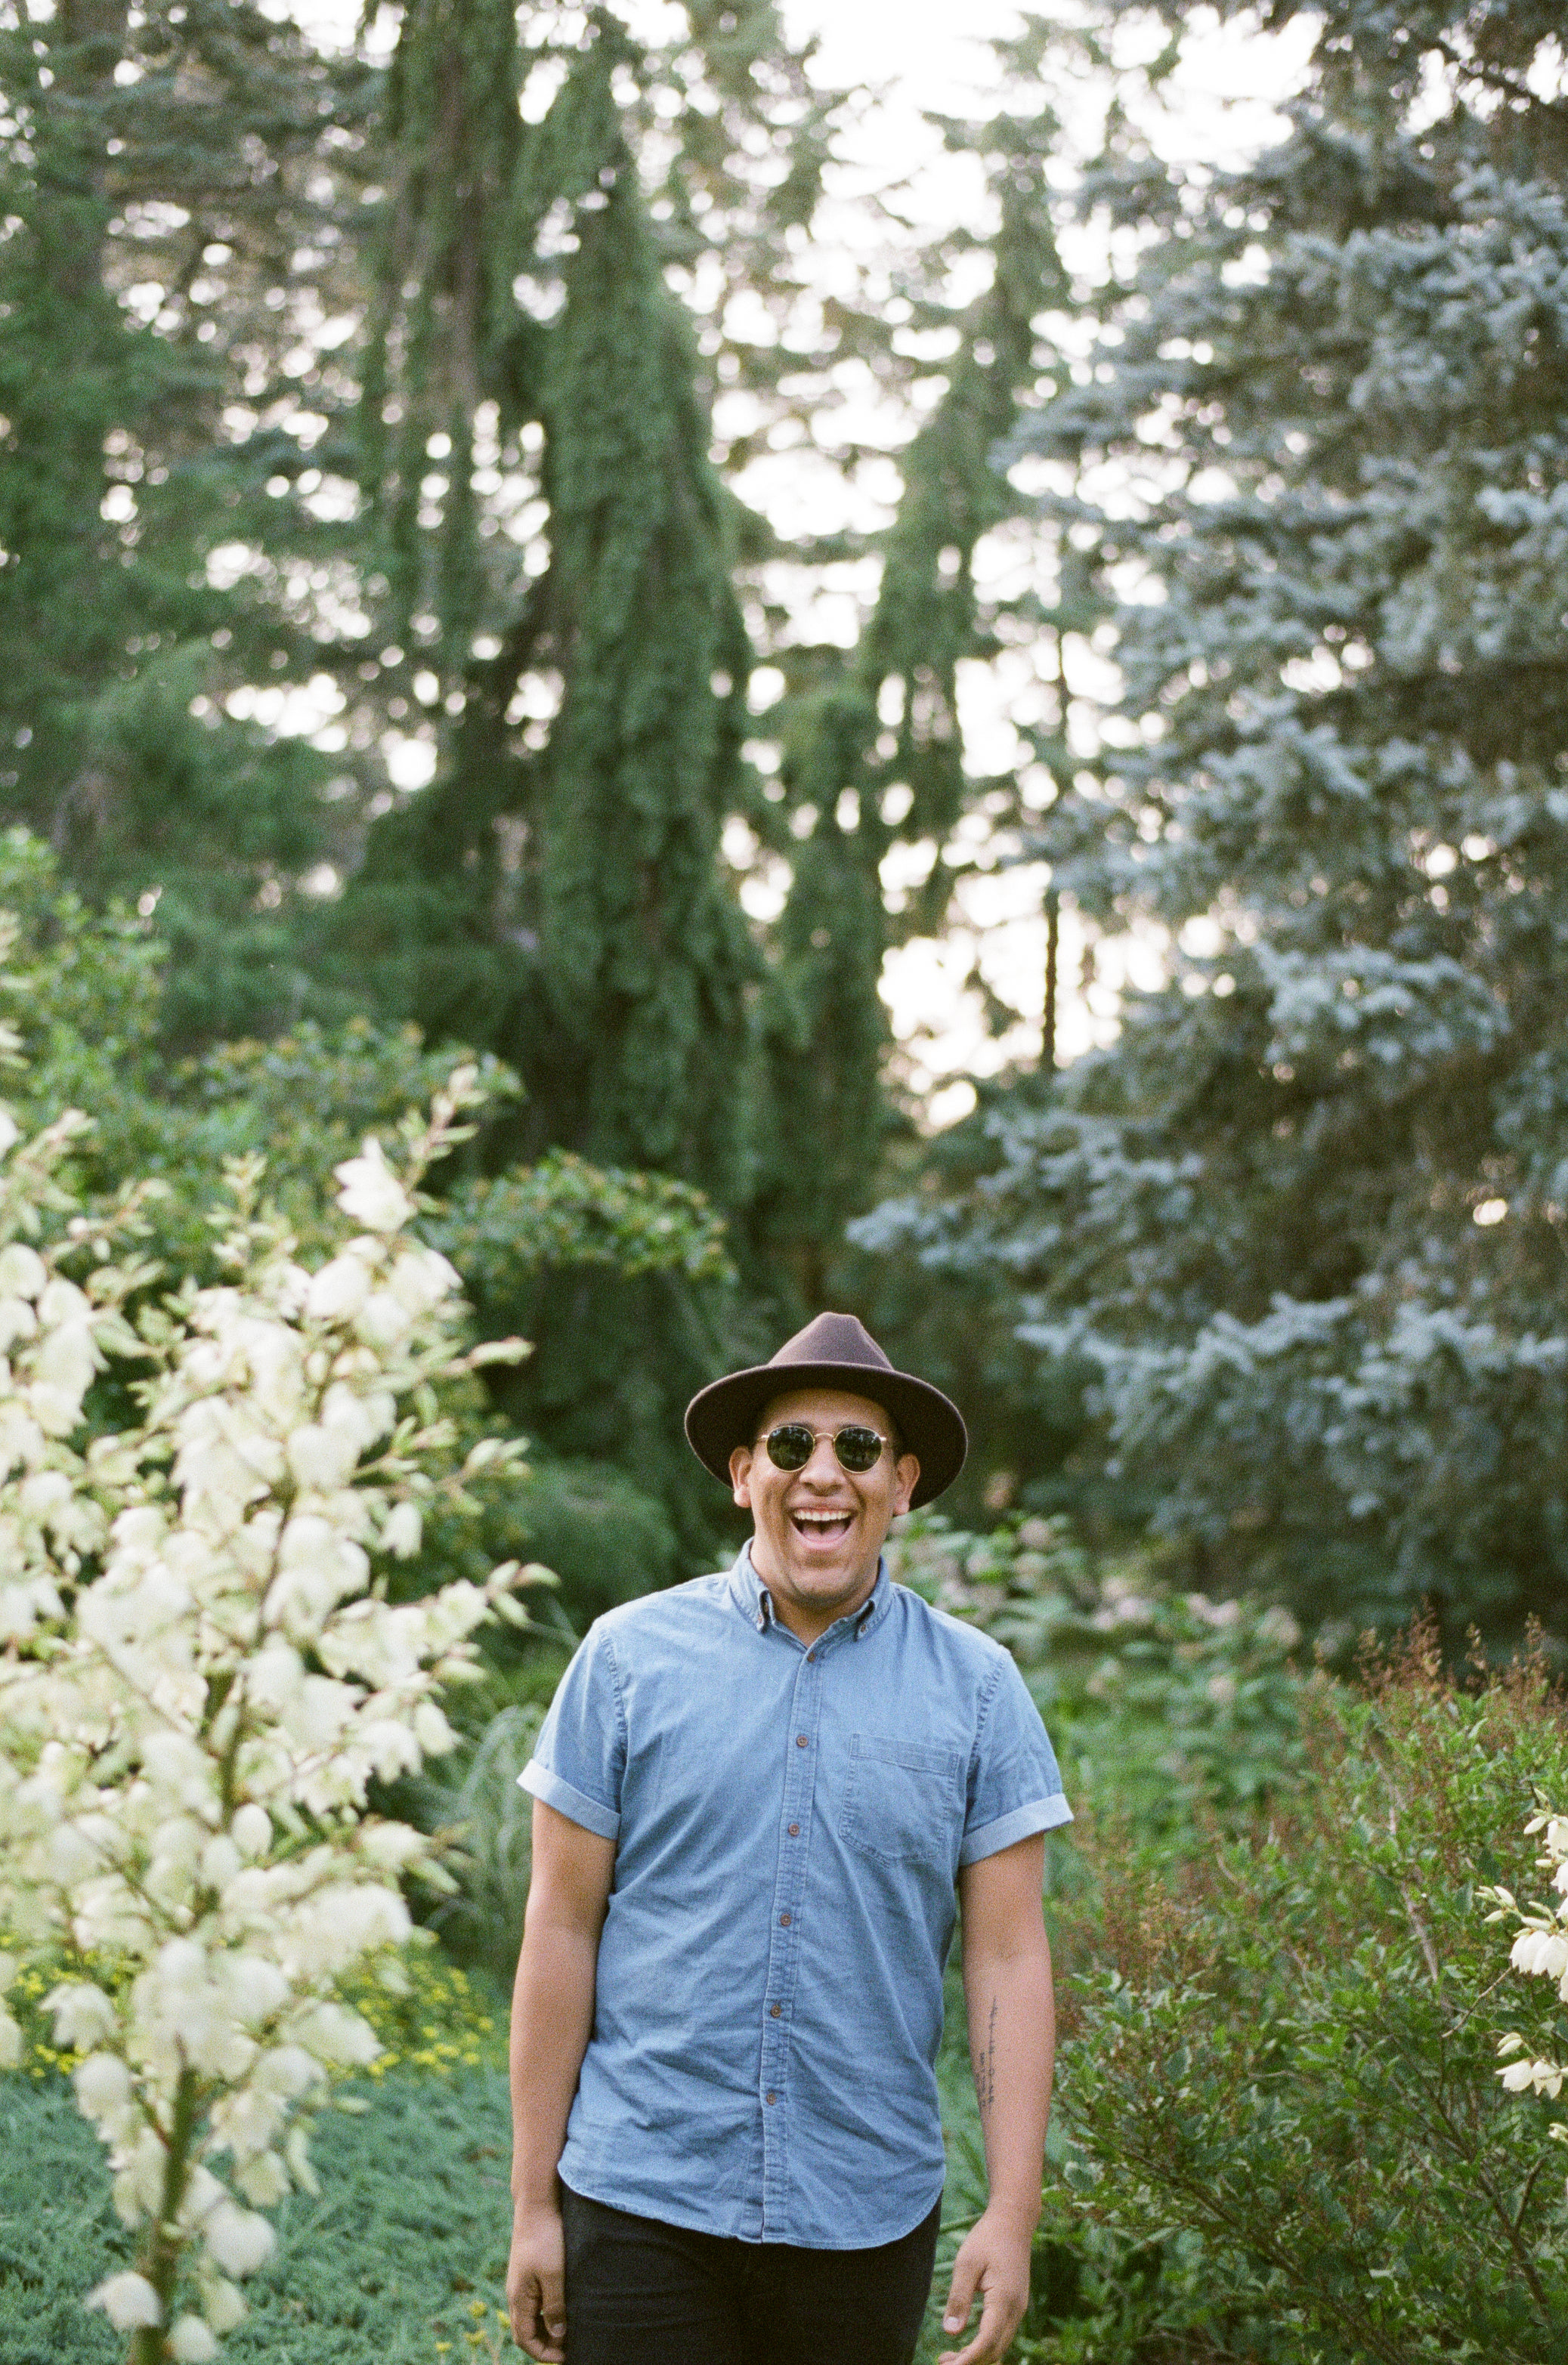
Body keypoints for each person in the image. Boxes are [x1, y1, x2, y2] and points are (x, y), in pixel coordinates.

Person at [506, 1312, 1071, 2365]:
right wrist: (533, 2201)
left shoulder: (981, 1688)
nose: (824, 1473)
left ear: (902, 1484)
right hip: (641, 2201)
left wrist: (1012, 2212)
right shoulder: (624, 1659)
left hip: (864, 2217)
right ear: (741, 1472)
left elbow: (1009, 1956)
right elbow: (562, 1926)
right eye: (791, 1445)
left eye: (857, 1448)